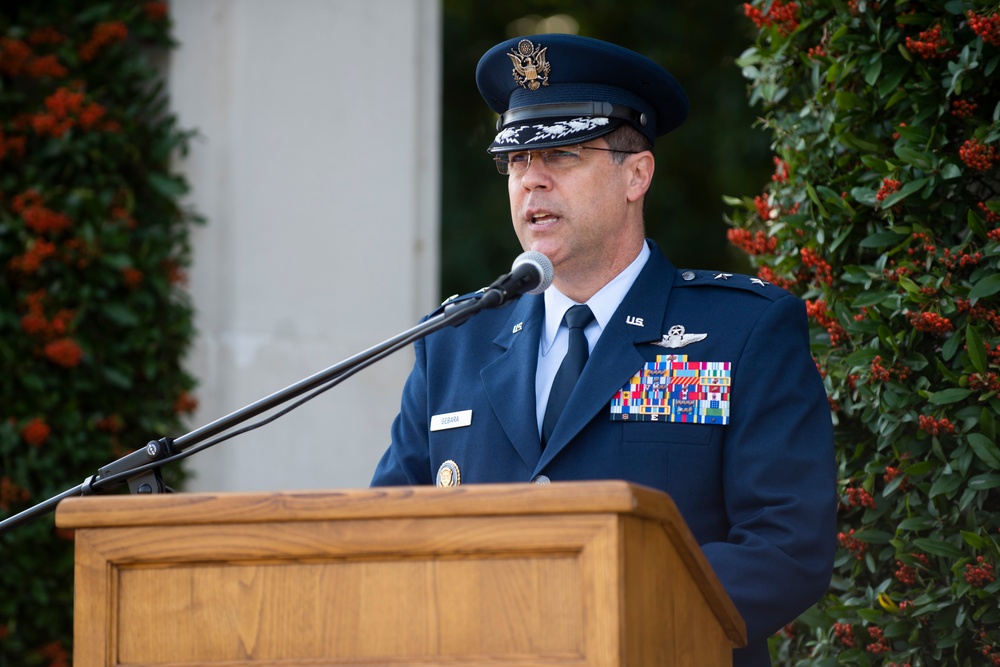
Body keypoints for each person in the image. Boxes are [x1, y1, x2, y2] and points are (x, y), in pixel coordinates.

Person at [371, 33, 836, 667]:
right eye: (515, 160)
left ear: (636, 174)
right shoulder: (453, 343)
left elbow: (786, 545)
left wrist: (589, 609)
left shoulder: (742, 331)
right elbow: (386, 536)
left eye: (560, 154)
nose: (531, 180)